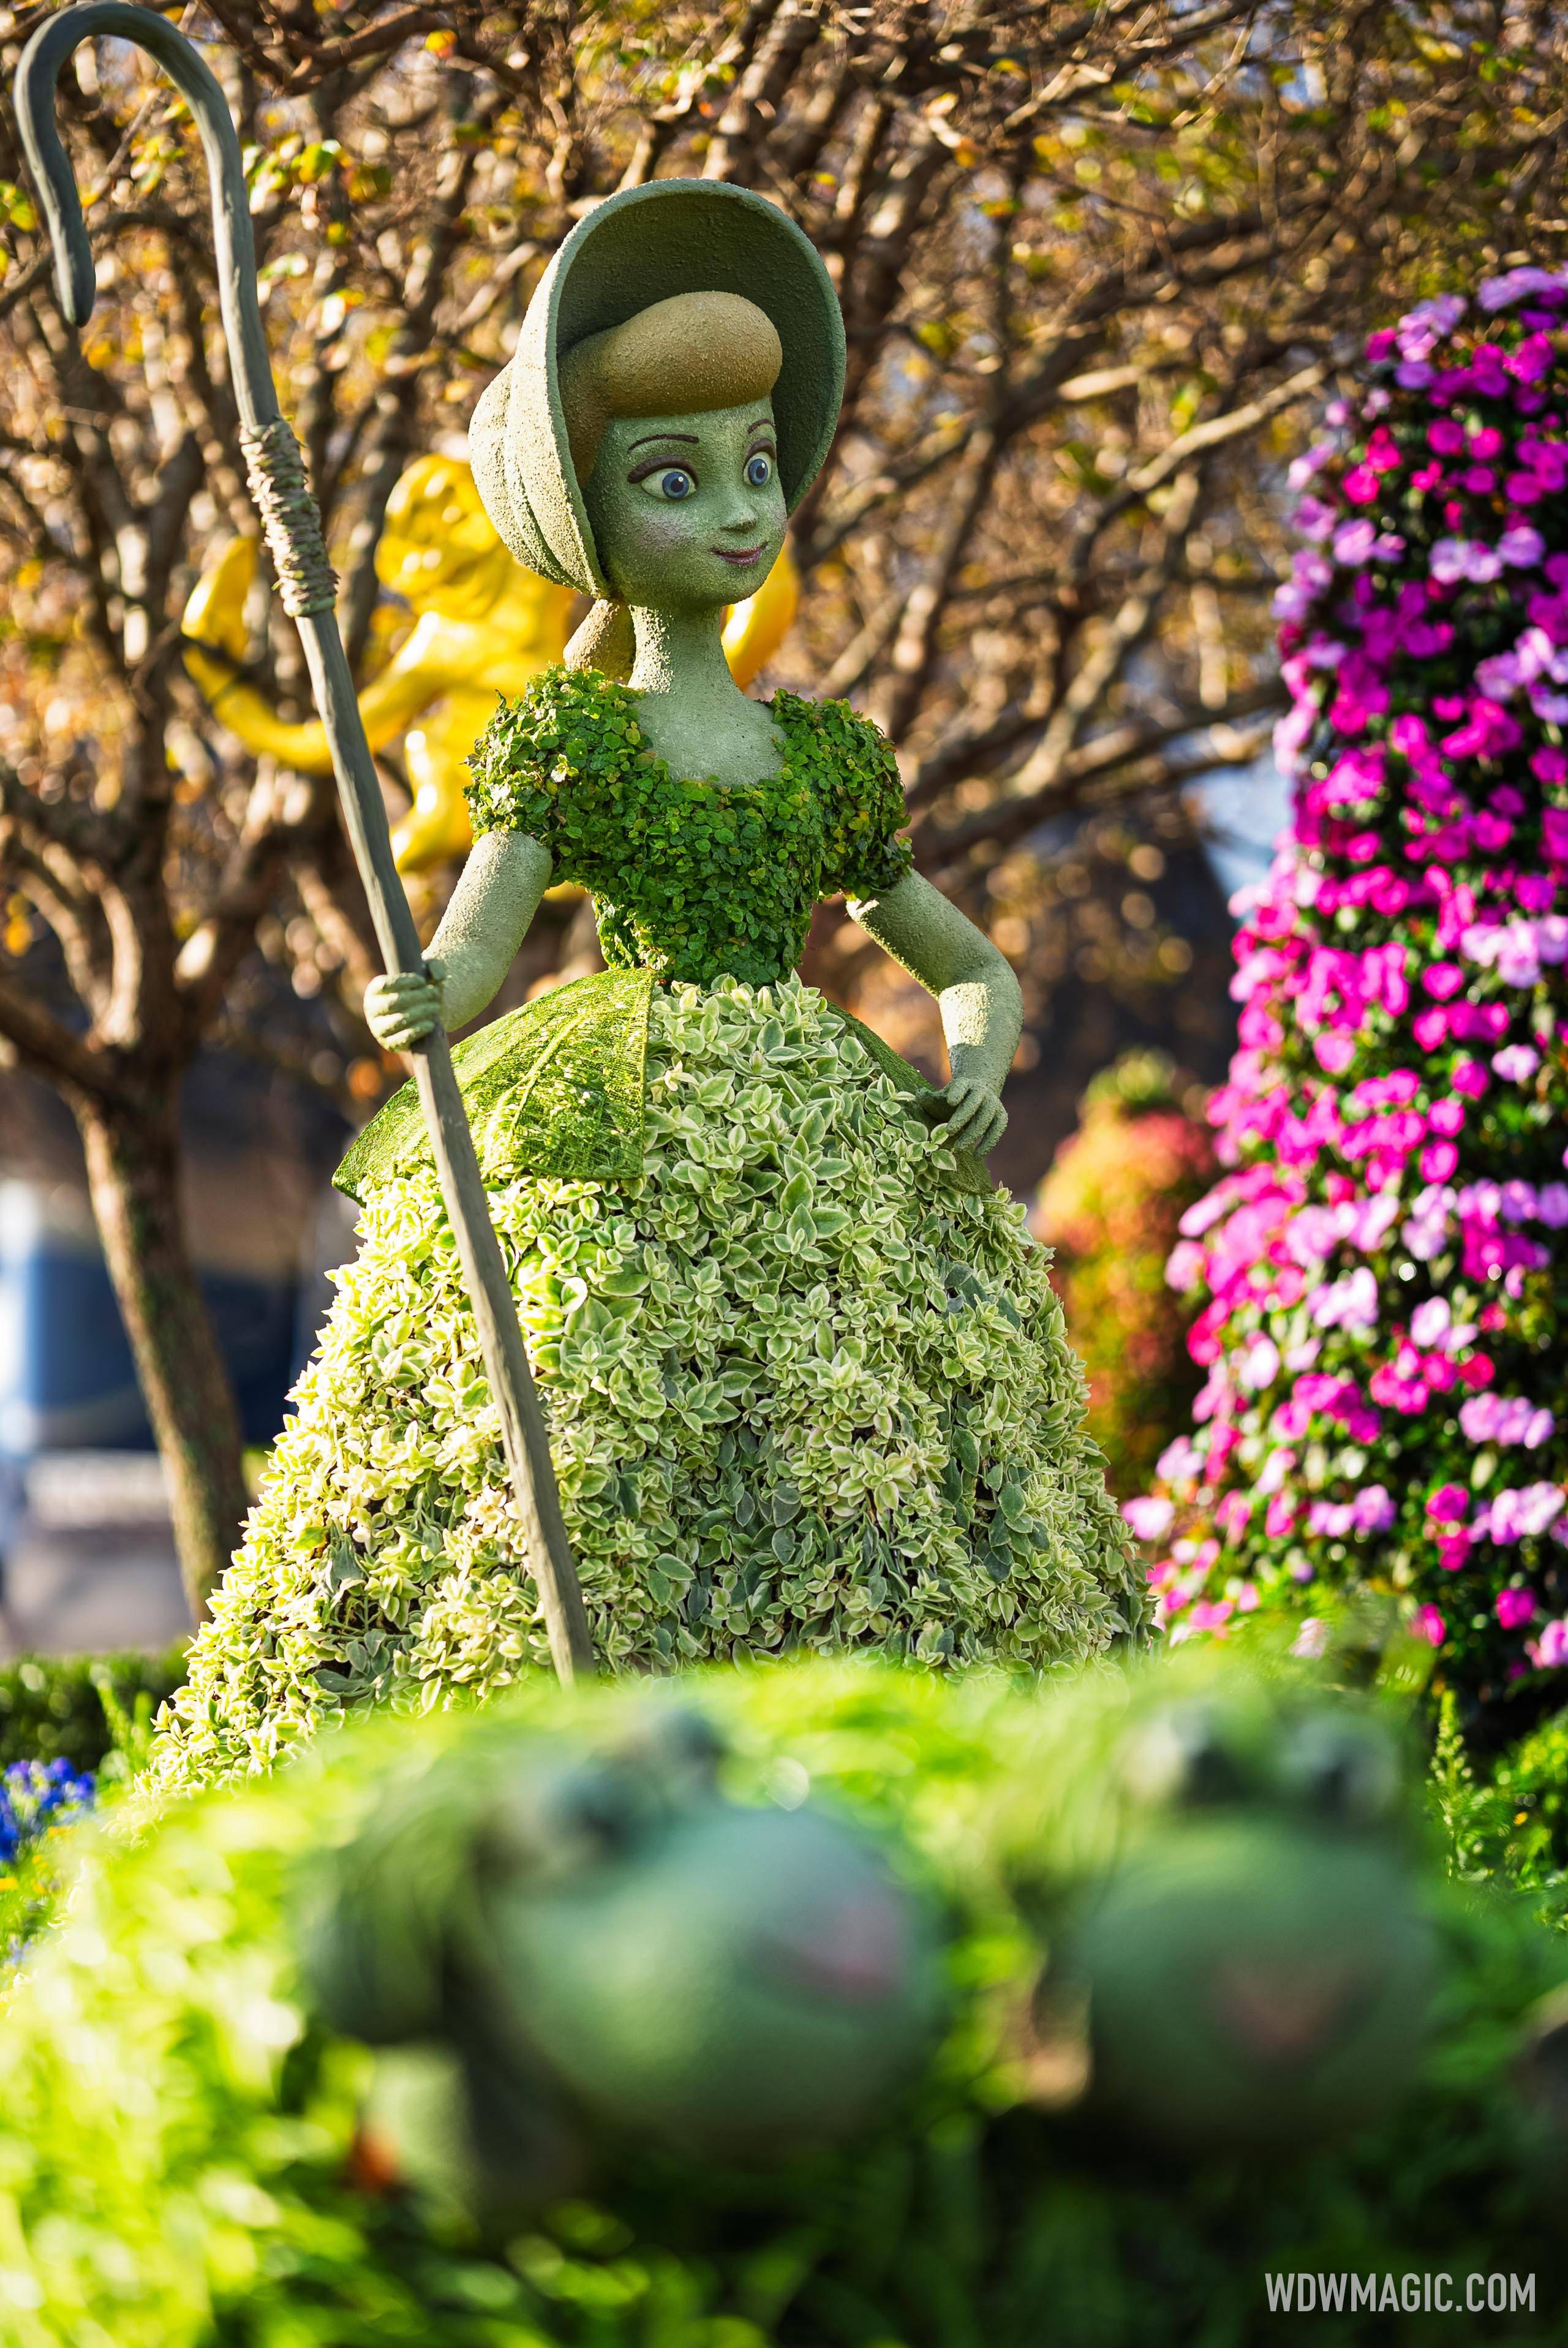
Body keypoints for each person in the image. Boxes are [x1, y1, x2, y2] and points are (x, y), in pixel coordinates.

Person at [151, 181, 1140, 1791]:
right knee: (598, 1431)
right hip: (617, 1121)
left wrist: (980, 1053)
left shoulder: (823, 755)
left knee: (858, 1442)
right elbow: (477, 938)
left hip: (827, 1132)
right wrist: (429, 997)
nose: (738, 512)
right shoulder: (578, 738)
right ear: (598, 516)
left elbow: (964, 956)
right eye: (676, 480)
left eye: (758, 466)